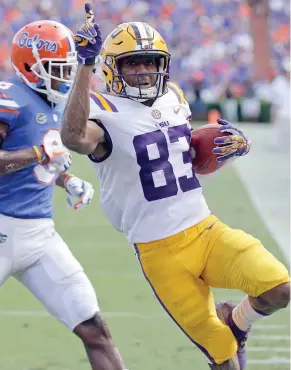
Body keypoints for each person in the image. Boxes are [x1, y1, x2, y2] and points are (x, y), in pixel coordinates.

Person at [61, 4, 290, 370]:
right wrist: (84, 66)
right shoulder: (102, 110)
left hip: (205, 229)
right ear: (112, 68)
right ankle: (227, 335)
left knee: (280, 288)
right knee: (223, 357)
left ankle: (237, 320)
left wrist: (230, 145)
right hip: (160, 252)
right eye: (133, 63)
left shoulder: (175, 98)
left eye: (151, 62)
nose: (144, 71)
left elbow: (190, 160)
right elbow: (73, 138)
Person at [0, 19, 126, 370]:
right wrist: (39, 156)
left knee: (95, 328)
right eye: (57, 69)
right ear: (30, 65)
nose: (65, 77)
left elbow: (41, 153)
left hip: (39, 236)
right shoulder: (8, 98)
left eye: (67, 69)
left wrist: (66, 178)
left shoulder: (55, 102)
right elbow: (34, 153)